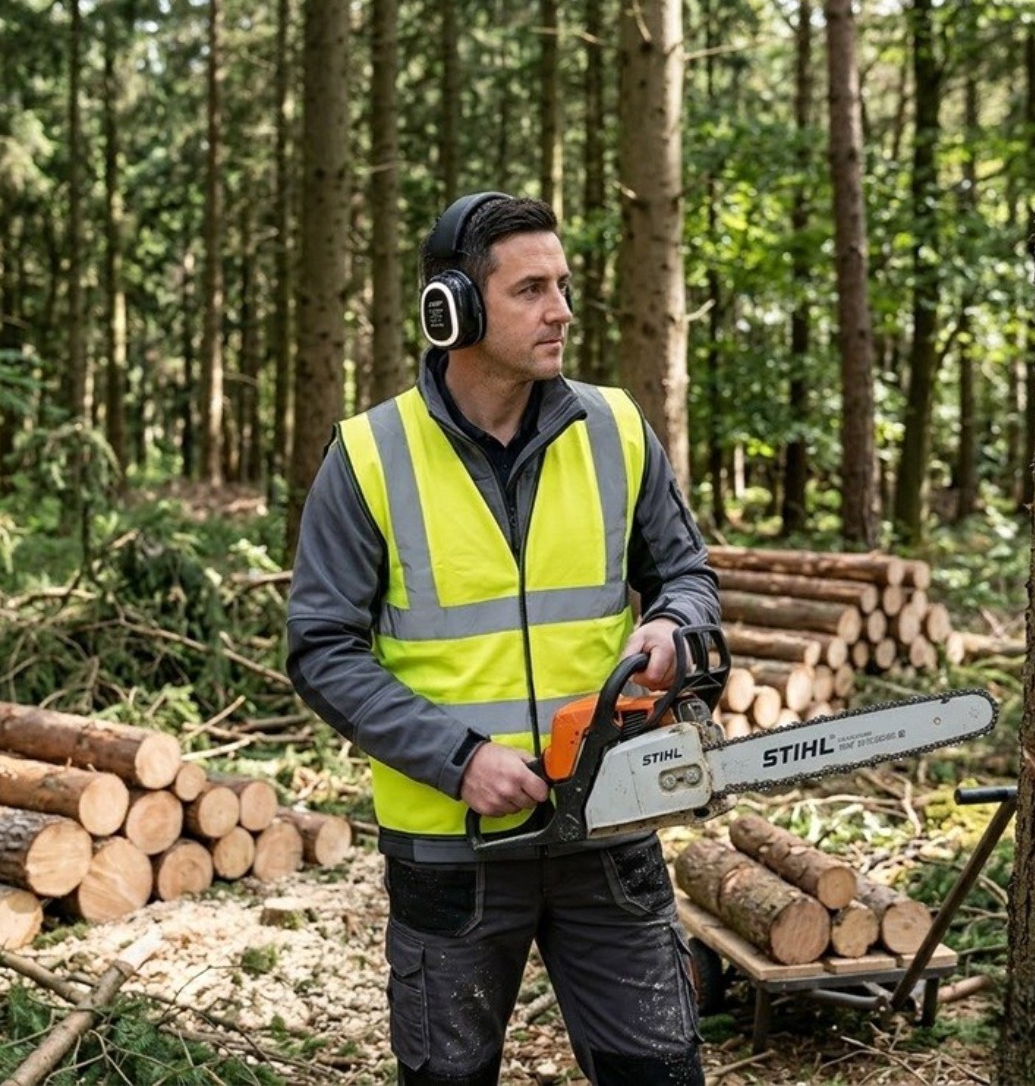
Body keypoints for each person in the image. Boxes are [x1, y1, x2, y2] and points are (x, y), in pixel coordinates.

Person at [287, 192, 720, 1086]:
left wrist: (678, 624)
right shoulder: (370, 454)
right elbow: (322, 648)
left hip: (610, 821)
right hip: (453, 848)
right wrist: (458, 757)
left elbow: (688, 574)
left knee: (661, 1068)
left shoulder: (616, 430)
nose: (562, 309)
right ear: (454, 309)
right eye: (532, 289)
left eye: (562, 284)